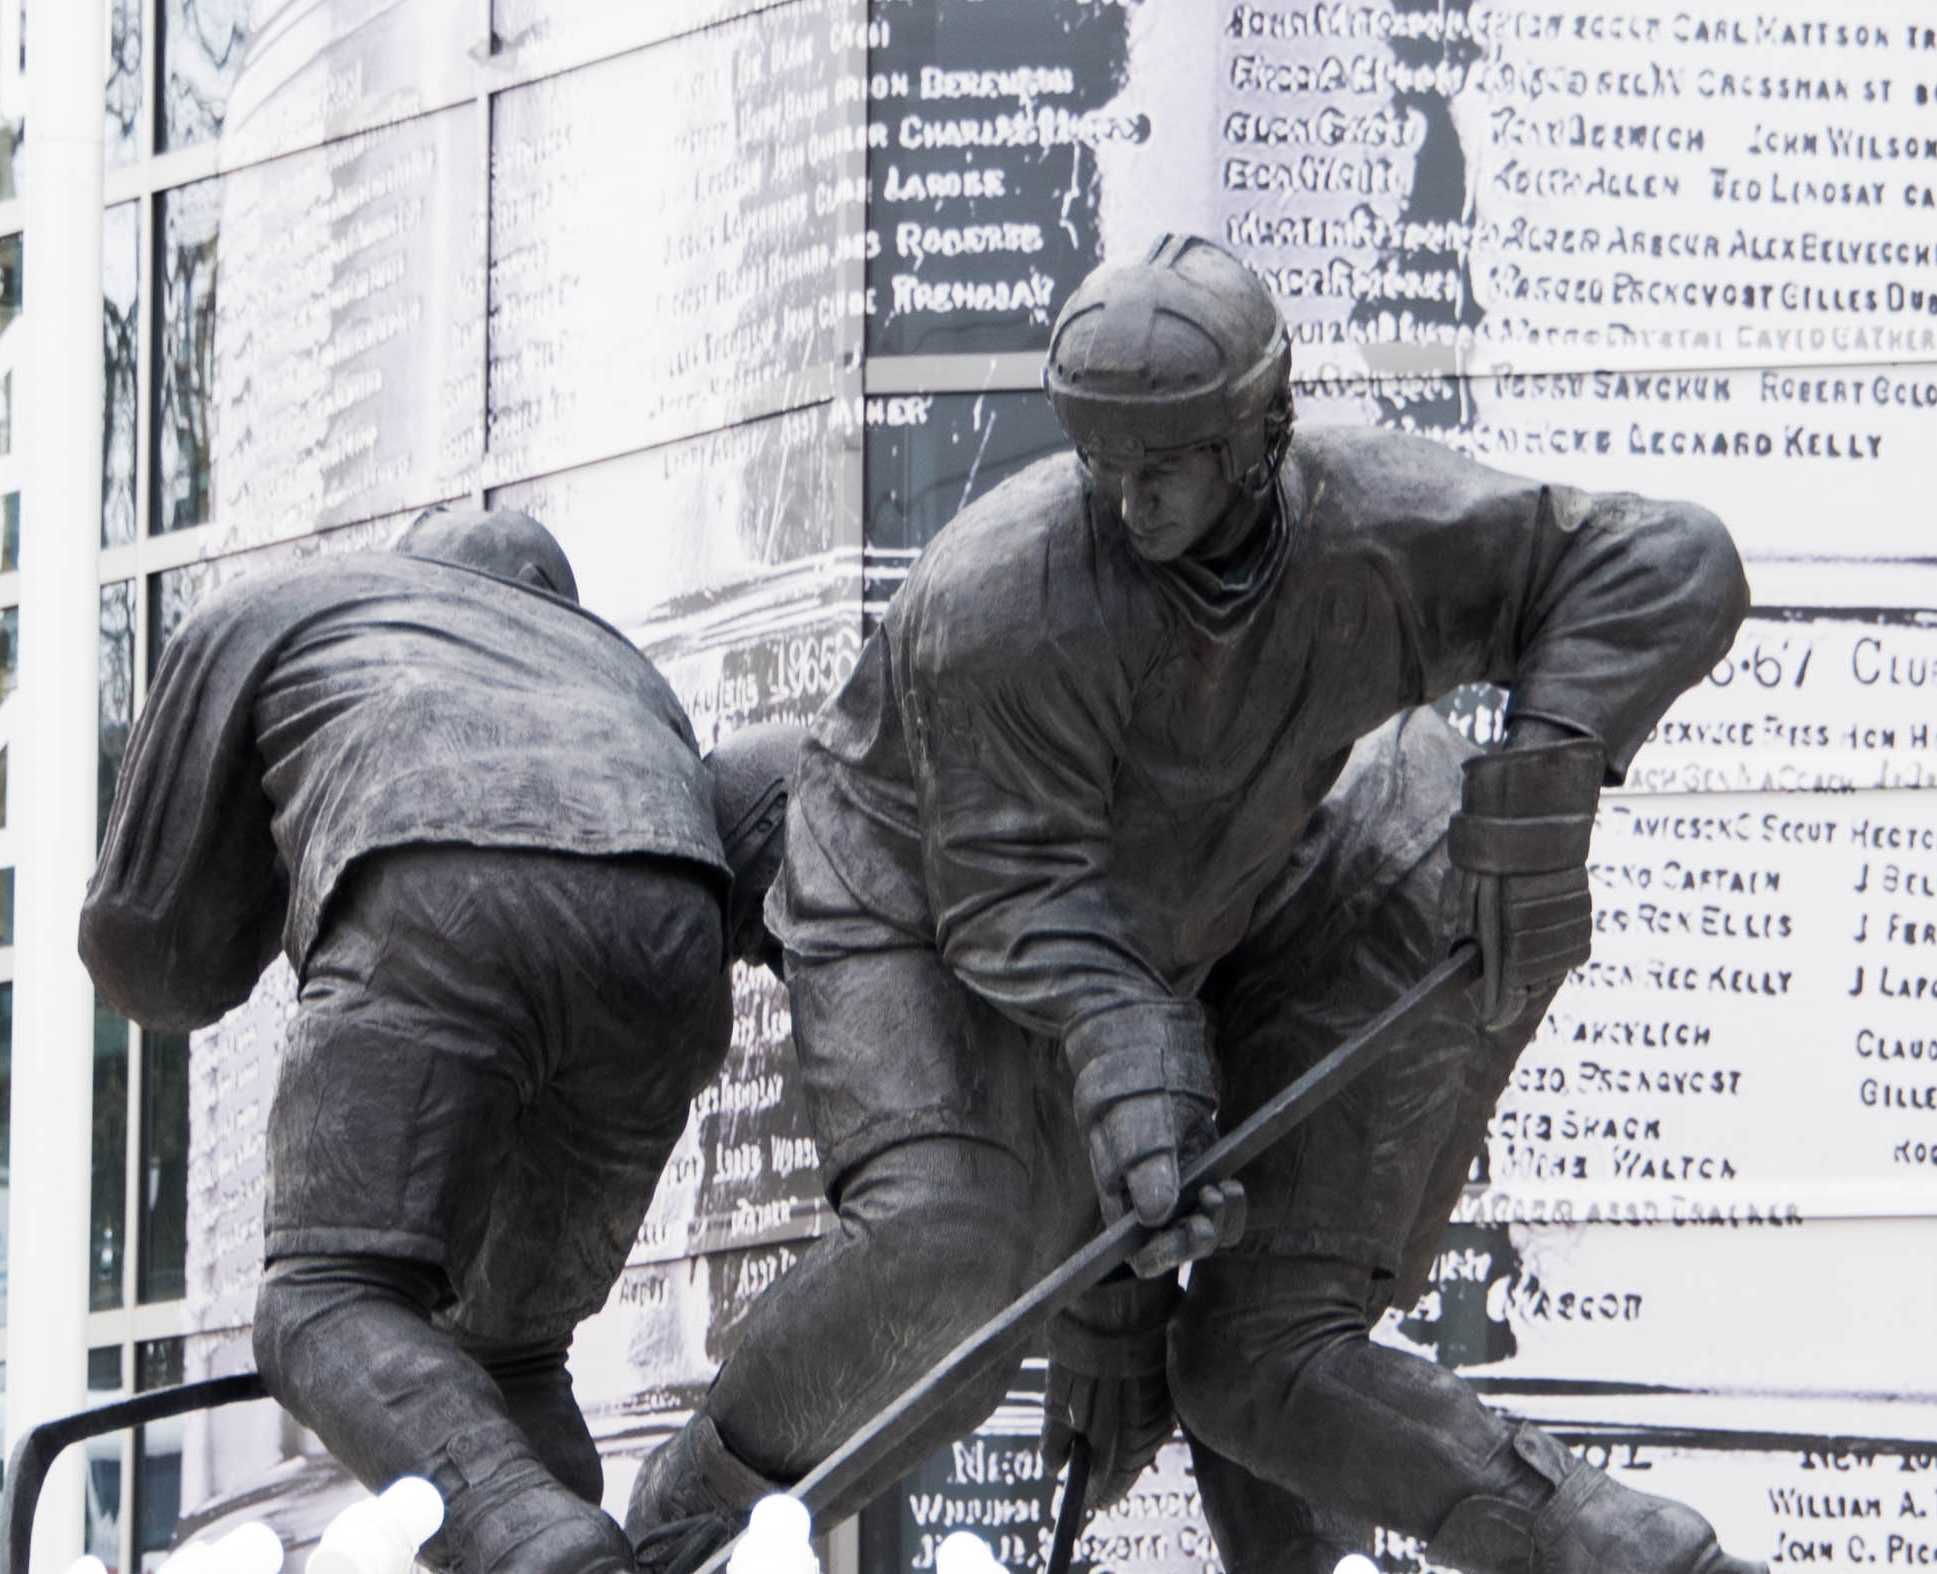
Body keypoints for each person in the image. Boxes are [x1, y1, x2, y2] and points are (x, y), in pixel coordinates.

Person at [625, 236, 1759, 1574]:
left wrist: (1546, 789)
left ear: (1261, 432)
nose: (1128, 499)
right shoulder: (1000, 599)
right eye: (1101, 460)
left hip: (1280, 886)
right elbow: (1025, 905)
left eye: (1161, 461)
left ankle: (1612, 1549)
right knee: (947, 1247)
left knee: (1256, 1353)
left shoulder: (1376, 517)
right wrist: (1131, 1188)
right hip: (982, 921)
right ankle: (665, 1544)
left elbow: (1665, 556)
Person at [81, 507, 803, 1574]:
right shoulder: (624, 671)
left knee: (324, 1299)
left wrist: (287, 899)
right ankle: (551, 1532)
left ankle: (541, 1546)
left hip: (437, 901)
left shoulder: (285, 606)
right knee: (507, 1355)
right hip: (667, 943)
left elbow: (147, 954)